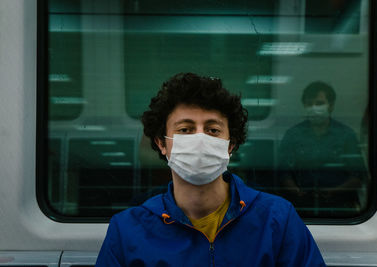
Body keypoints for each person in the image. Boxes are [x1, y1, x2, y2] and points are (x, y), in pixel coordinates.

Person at [96, 73, 325, 266]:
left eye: (213, 130)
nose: (200, 140)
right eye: (185, 129)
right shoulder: (127, 232)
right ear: (161, 143)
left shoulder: (277, 221)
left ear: (231, 144)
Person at [278, 81, 367, 218]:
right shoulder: (293, 134)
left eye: (319, 103)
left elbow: (358, 176)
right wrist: (296, 191)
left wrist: (334, 192)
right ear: (304, 106)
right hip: (301, 206)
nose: (314, 108)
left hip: (340, 207)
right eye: (309, 104)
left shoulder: (346, 135)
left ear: (331, 106)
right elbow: (283, 173)